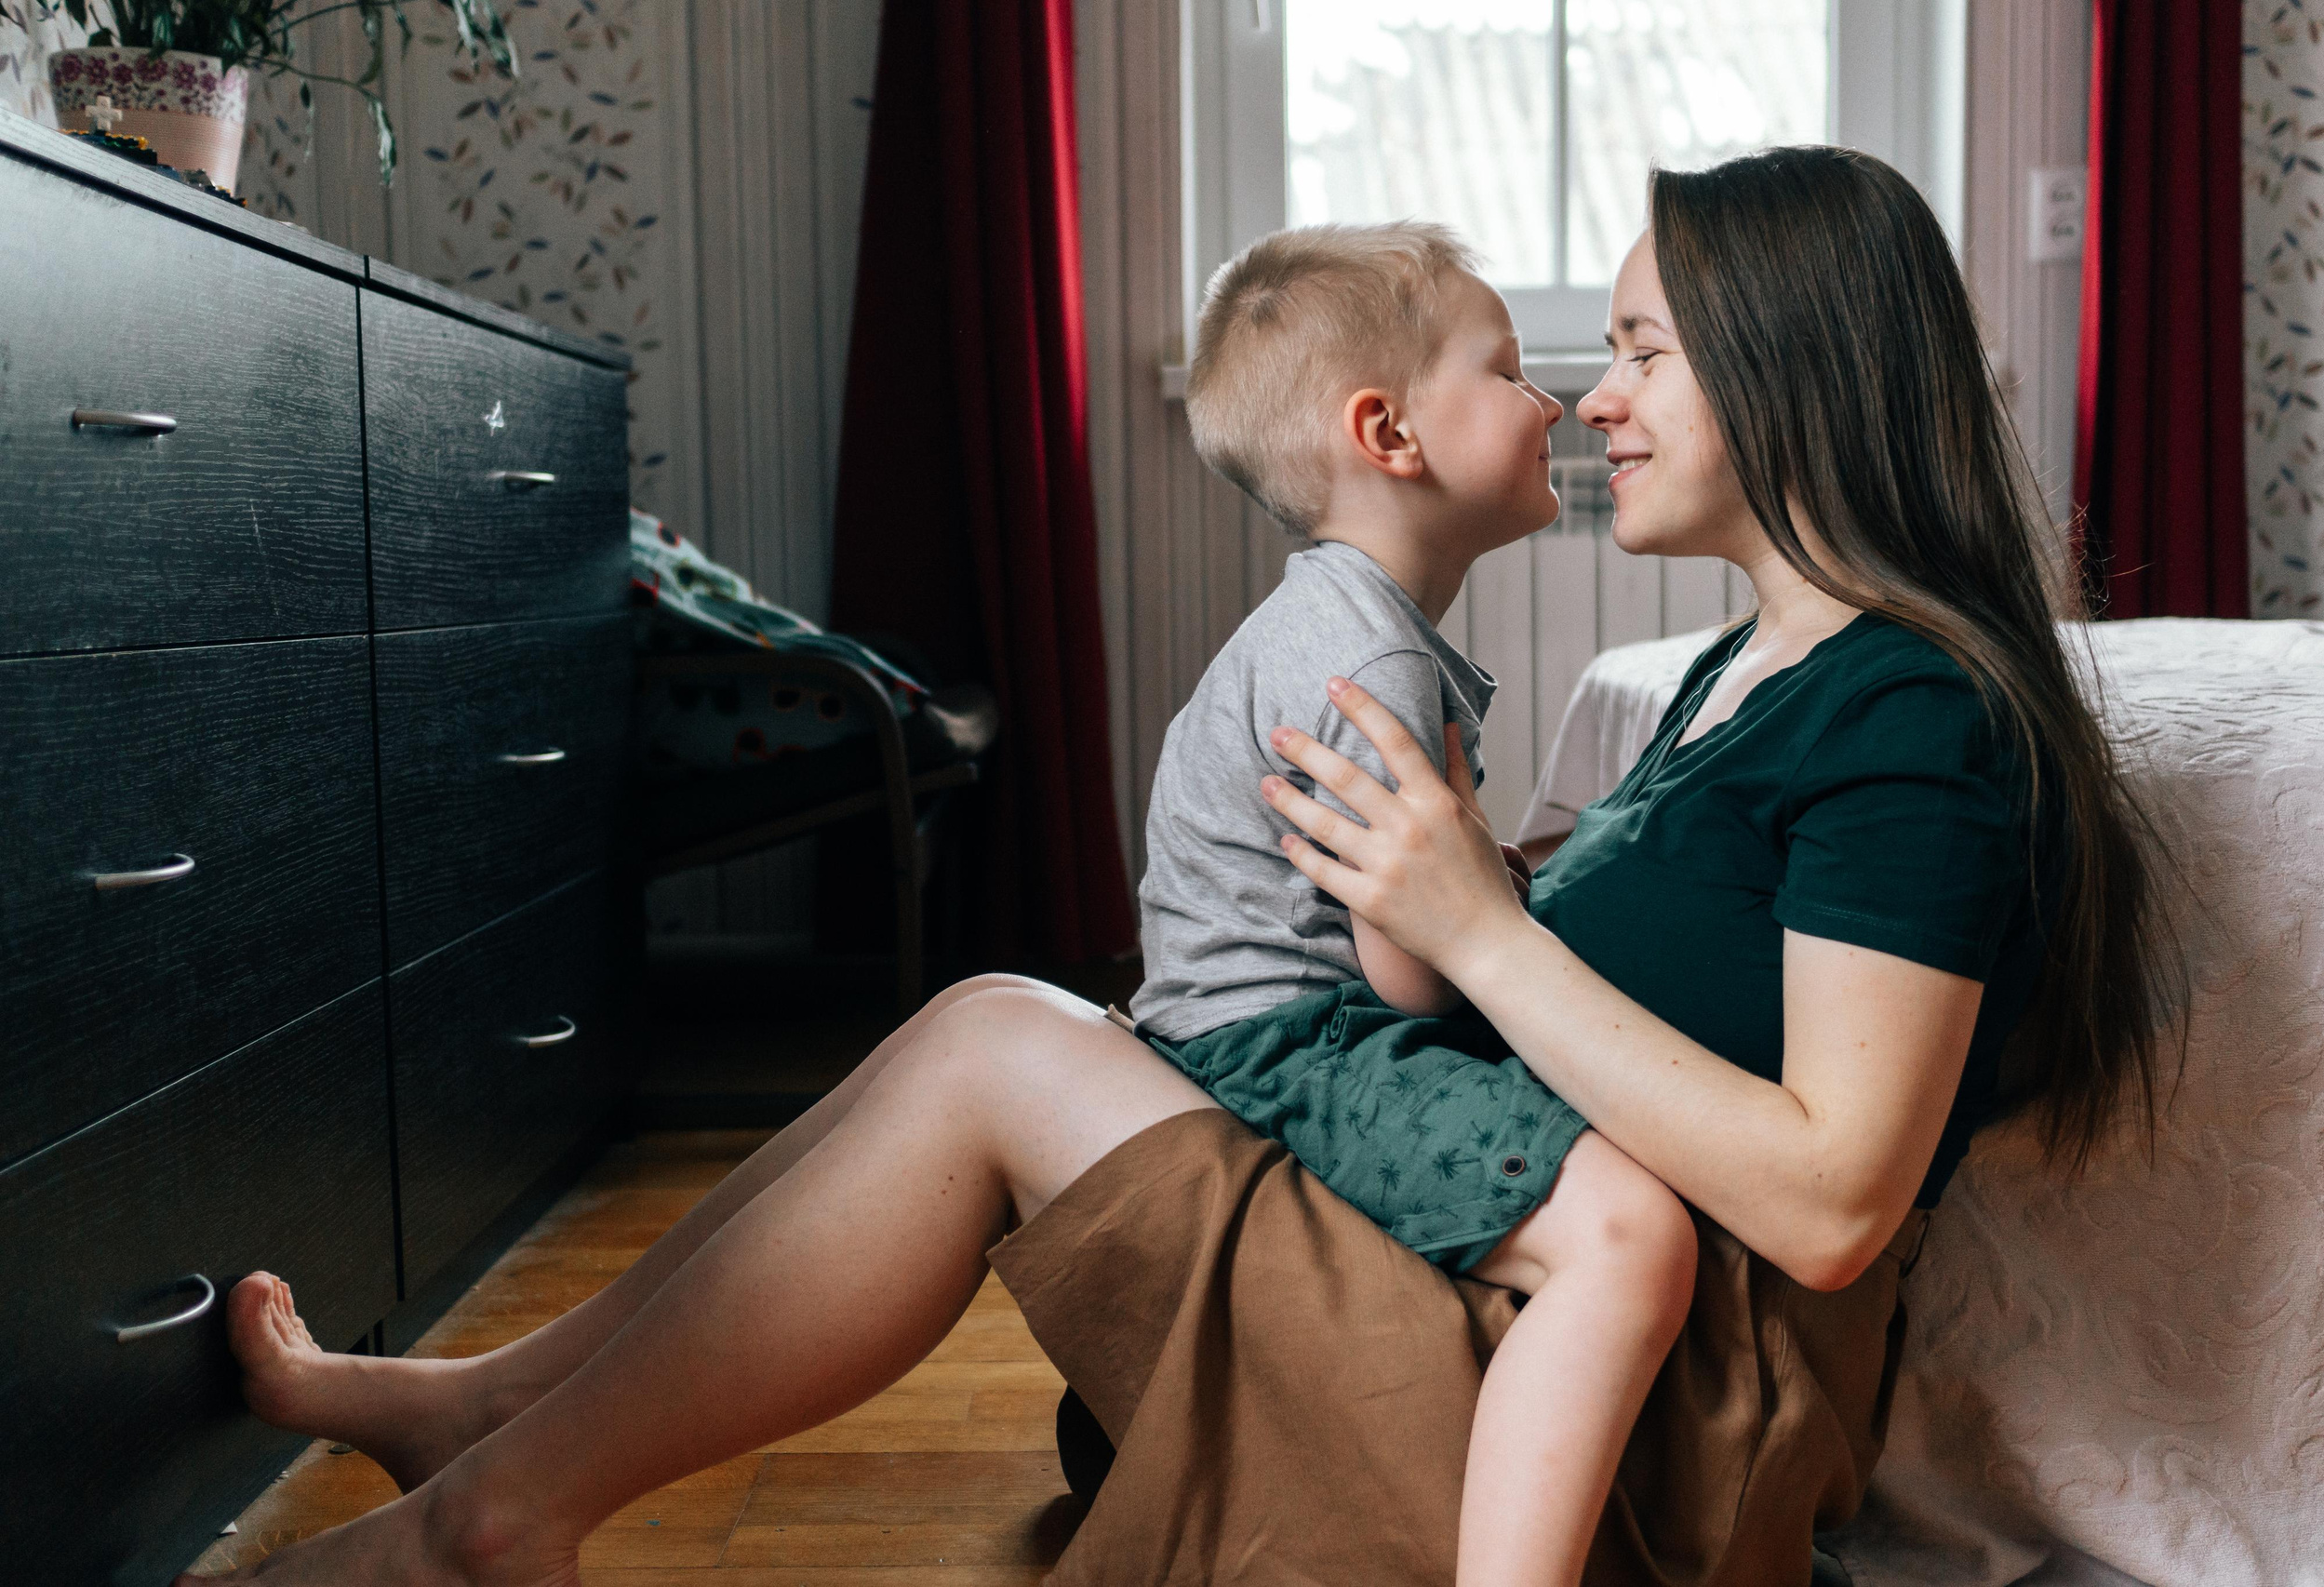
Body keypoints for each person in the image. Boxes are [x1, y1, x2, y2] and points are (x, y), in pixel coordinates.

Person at [182, 146, 2180, 1587]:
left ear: (1790, 367)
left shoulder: (1906, 718)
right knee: (990, 1024)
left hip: (1635, 1384)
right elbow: (1649, 954)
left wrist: (1478, 920)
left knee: (987, 1041)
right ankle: (493, 1414)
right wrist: (1506, 894)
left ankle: (502, 1498)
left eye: (1644, 350)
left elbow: (1833, 1201)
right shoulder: (1740, 675)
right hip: (1517, 1263)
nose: (1594, 396)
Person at [1131, 219, 1698, 1584]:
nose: (1554, 399)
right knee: (1632, 1238)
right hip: (1290, 1040)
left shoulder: (1356, 622)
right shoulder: (1359, 656)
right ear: (1388, 433)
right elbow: (1412, 977)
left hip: (1275, 1015)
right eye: (1507, 372)